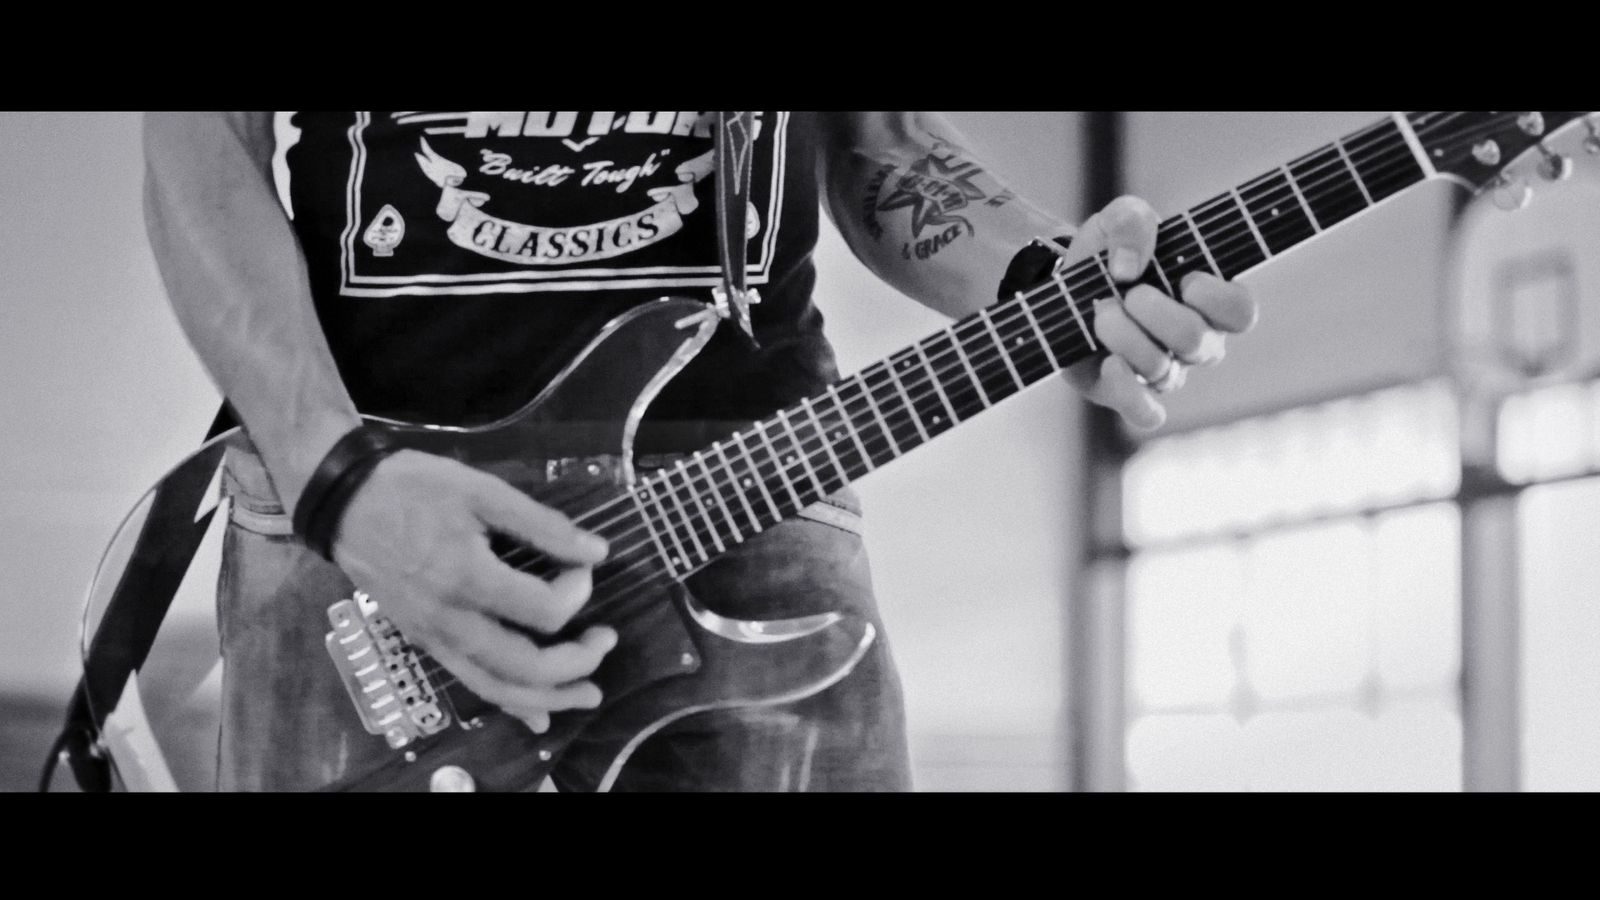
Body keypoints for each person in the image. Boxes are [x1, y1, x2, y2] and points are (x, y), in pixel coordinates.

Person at [141, 111, 1256, 791]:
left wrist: (1038, 282)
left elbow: (879, 133)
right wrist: (332, 475)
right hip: (374, 487)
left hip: (752, 471)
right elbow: (201, 129)